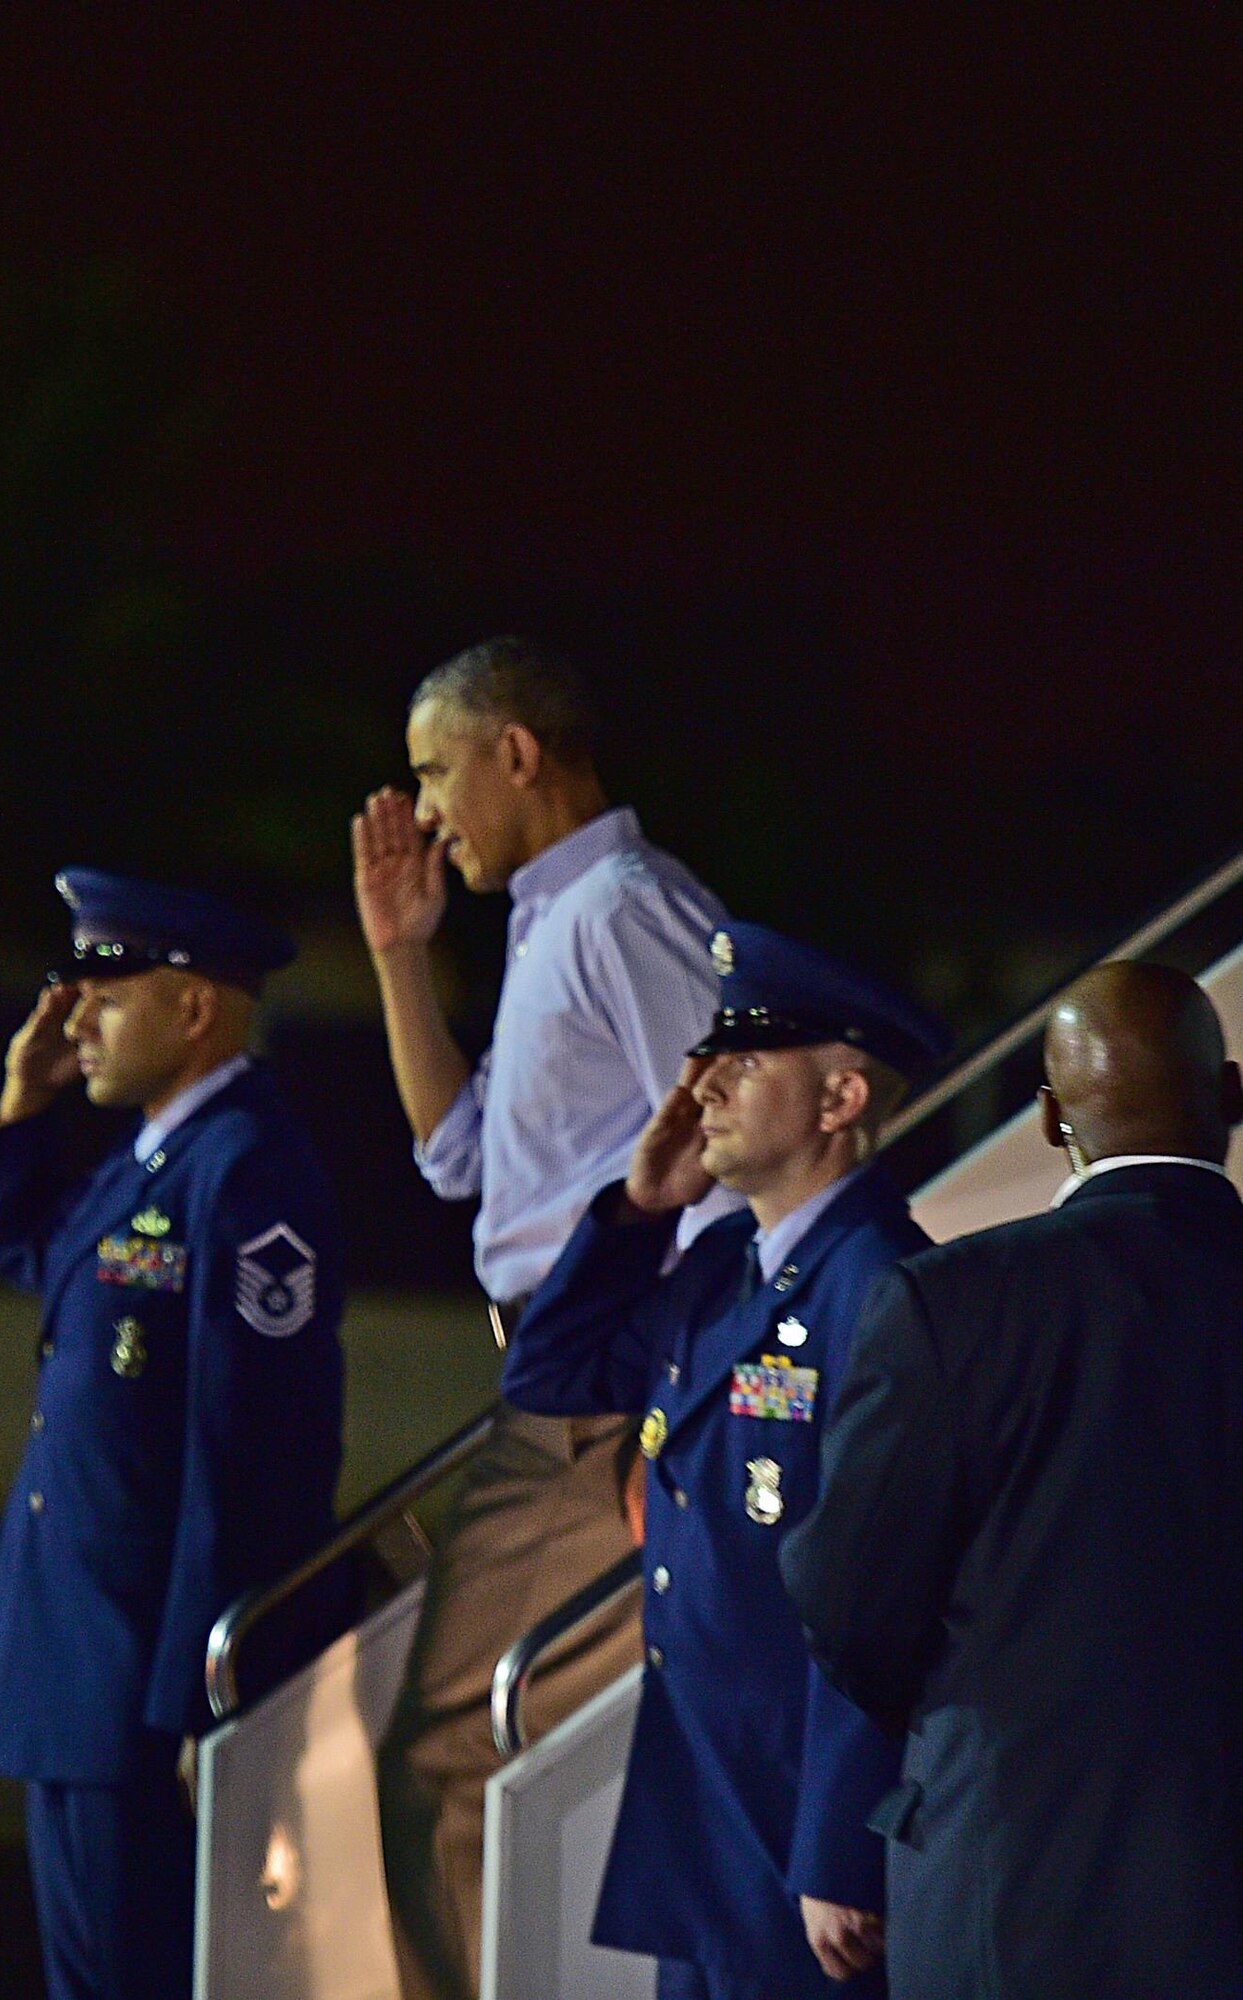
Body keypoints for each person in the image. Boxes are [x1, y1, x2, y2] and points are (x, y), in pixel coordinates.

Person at [782, 961, 1243, 2000]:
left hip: (1019, 1892)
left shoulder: (948, 1305)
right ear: (1229, 1093)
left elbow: (845, 1602)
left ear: (1051, 1117)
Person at [353, 635, 733, 2000]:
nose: (428, 809)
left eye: (435, 771)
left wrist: (667, 1413)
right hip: (557, 1380)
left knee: (446, 1763)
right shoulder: (552, 917)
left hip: (601, 1407)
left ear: (517, 752)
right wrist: (401, 957)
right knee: (485, 1767)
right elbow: (455, 1153)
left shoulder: (624, 905)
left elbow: (734, 1157)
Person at [501, 919, 949, 2000]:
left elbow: (884, 1588)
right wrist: (633, 1212)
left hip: (800, 1829)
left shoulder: (885, 1287)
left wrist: (842, 1843)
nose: (700, 1085)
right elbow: (547, 1374)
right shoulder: (715, 1266)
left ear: (840, 1101)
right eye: (707, 1056)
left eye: (743, 1062)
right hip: (703, 1808)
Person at [0, 869, 346, 2000]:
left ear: (195, 1007)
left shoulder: (247, 1171)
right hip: (78, 1672)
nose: (76, 1019)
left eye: (105, 996)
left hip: (136, 1690)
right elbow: (37, 1255)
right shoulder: (158, 1153)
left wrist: (195, 1700)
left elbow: (255, 1460)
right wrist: (21, 1106)